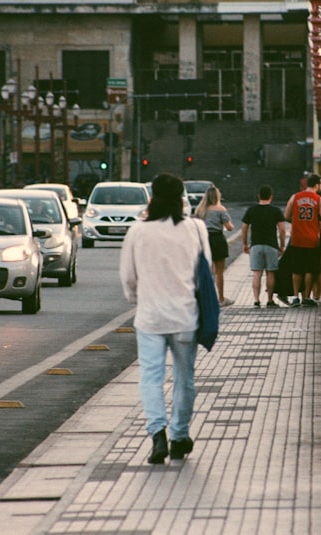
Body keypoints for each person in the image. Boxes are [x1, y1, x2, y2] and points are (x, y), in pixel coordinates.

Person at [120, 173, 206, 464]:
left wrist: (137, 298)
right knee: (185, 379)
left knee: (151, 377)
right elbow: (203, 275)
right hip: (185, 315)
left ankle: (158, 434)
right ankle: (180, 436)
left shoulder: (137, 231)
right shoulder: (195, 228)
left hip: (150, 316)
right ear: (182, 198)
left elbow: (128, 278)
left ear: (152, 197)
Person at [284, 173, 321, 307]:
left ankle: (296, 296)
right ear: (317, 185)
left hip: (297, 237)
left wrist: (296, 223)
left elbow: (286, 215)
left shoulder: (294, 197)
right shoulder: (319, 200)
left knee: (297, 270)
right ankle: (307, 297)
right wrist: (320, 229)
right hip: (312, 239)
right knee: (310, 269)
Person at [241, 184, 286, 308]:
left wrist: (244, 243)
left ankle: (256, 300)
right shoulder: (276, 210)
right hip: (271, 245)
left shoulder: (251, 210)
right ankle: (270, 300)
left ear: (258, 196)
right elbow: (282, 229)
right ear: (271, 197)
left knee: (257, 273)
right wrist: (282, 245)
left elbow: (244, 227)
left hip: (255, 245)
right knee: (270, 273)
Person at [194, 185, 235, 306]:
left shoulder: (200, 210)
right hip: (217, 240)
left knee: (206, 271)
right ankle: (221, 299)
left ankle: (206, 298)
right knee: (219, 272)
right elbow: (229, 227)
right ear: (217, 196)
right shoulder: (220, 209)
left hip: (204, 240)